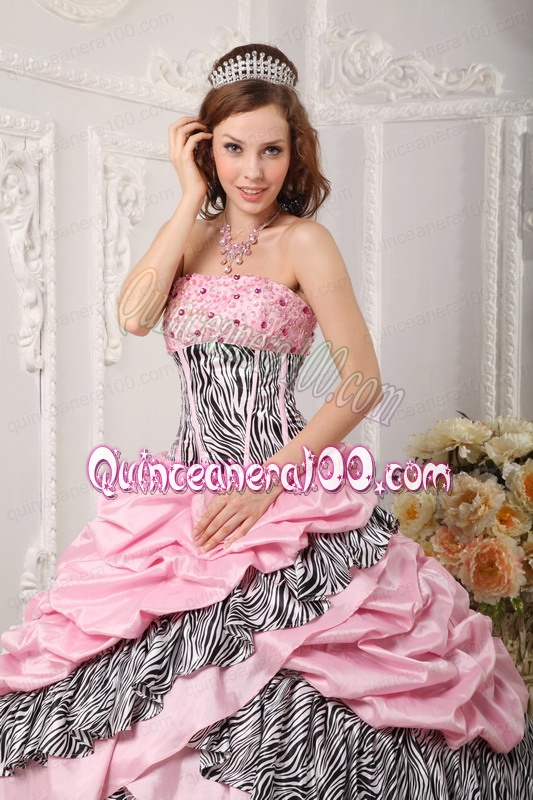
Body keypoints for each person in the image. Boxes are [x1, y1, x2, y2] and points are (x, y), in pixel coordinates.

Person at [0, 43, 531, 800]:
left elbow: (361, 382)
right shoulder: (191, 236)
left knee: (281, 668)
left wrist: (266, 481)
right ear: (206, 148)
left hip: (278, 485)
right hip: (181, 491)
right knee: (128, 667)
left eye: (271, 151)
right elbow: (134, 315)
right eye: (232, 149)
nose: (252, 171)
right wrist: (187, 197)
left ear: (295, 152)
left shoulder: (304, 241)